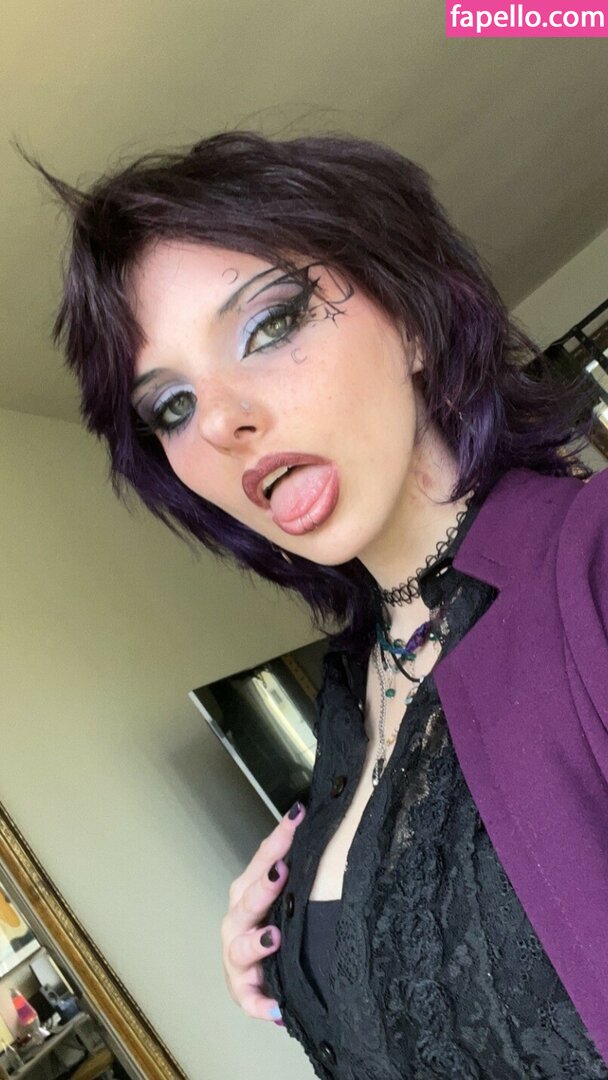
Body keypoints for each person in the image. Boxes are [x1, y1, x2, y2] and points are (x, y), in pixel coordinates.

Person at [31, 131, 608, 1078]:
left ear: (411, 316)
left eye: (268, 326)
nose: (221, 421)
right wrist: (311, 962)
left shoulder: (591, 560)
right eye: (172, 406)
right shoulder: (352, 682)